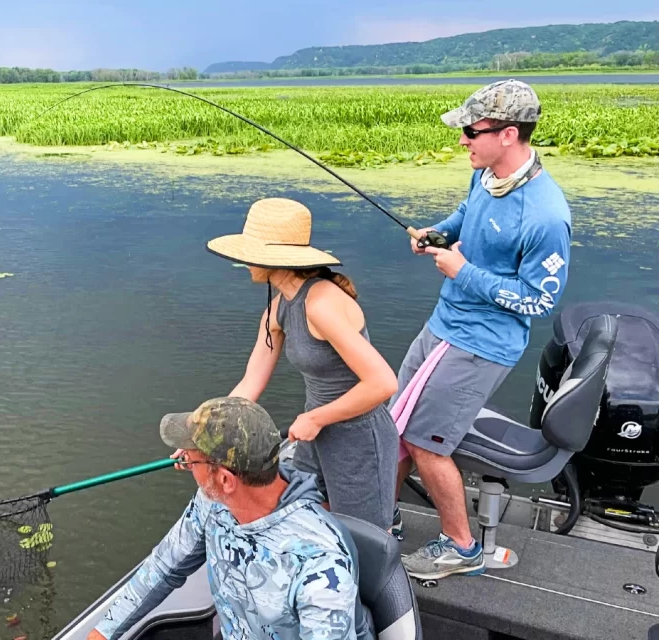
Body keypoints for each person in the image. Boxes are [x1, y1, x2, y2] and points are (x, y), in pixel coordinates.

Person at [392, 79, 572, 580]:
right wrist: (439, 234)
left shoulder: (545, 214)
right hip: (443, 325)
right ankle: (381, 518)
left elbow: (540, 299)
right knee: (395, 427)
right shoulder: (487, 174)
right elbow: (468, 214)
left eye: (472, 131)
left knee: (427, 442)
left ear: (508, 133)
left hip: (481, 345)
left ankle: (462, 547)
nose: (463, 140)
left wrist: (461, 271)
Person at [182, 197, 399, 531]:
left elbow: (383, 383)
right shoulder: (277, 309)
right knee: (316, 523)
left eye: (249, 253)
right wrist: (202, 434)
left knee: (366, 540)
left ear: (275, 259)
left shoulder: (321, 304)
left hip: (358, 439)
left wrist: (315, 417)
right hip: (316, 436)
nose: (243, 261)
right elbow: (250, 384)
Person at [88, 396, 371, 640]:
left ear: (225, 479)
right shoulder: (215, 501)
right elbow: (165, 565)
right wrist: (101, 633)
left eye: (192, 459)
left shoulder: (320, 567)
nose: (183, 460)